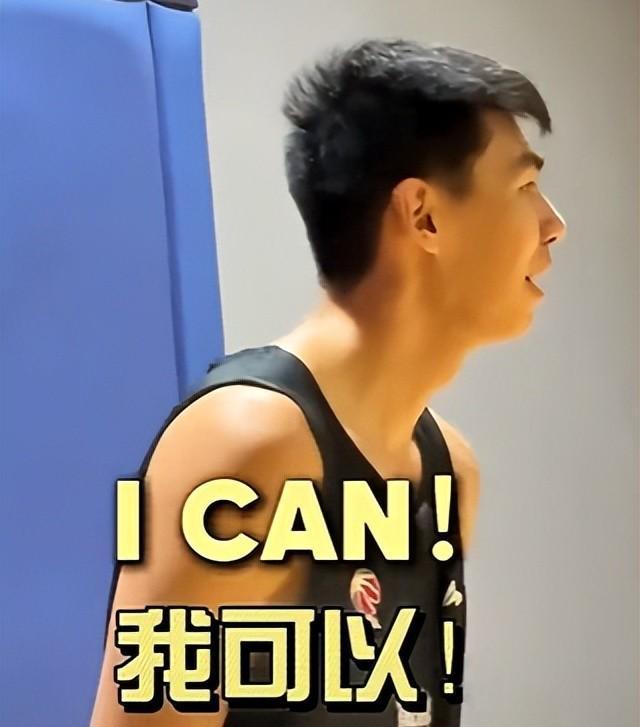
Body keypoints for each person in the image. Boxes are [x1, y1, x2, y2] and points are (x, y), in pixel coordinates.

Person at [90, 38, 566, 727]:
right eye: (524, 187)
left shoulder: (450, 471)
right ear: (424, 215)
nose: (554, 225)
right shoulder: (246, 448)